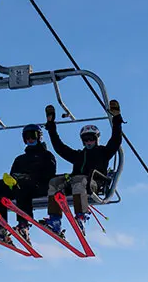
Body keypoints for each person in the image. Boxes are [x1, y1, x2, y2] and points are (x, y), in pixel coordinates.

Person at [42, 99, 123, 236]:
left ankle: (81, 216)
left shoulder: (104, 152)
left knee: (79, 180)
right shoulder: (78, 155)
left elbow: (116, 140)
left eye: (91, 138)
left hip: (94, 182)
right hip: (76, 183)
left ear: (96, 138)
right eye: (85, 139)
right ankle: (55, 220)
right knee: (54, 182)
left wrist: (116, 118)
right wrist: (51, 125)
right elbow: (59, 147)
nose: (88, 142)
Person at [0, 123, 56, 244]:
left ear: (39, 137)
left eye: (33, 136)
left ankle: (23, 225)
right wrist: (10, 181)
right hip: (19, 186)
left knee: (23, 187)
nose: (30, 139)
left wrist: (30, 177)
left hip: (38, 187)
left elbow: (50, 174)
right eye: (27, 137)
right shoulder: (20, 159)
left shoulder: (46, 156)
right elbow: (13, 174)